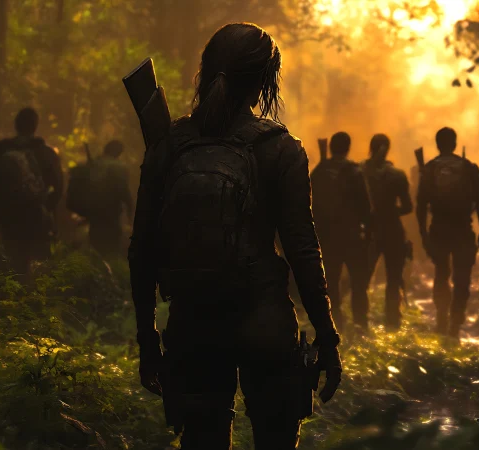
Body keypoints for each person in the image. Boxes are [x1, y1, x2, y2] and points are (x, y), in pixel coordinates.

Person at [128, 23, 342, 449]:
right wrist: (327, 336)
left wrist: (147, 339)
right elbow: (302, 250)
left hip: (193, 324)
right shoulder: (280, 148)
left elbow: (142, 250)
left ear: (206, 71)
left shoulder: (169, 145)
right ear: (265, 80)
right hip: (264, 321)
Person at [416, 127, 479, 337]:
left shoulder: (430, 169)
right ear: (455, 144)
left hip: (438, 228)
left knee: (441, 273)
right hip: (462, 228)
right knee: (462, 277)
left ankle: (441, 319)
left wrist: (423, 234)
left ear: (437, 145)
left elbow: (421, 205)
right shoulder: (469, 167)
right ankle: (455, 324)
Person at [0, 107, 63, 274]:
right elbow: (58, 188)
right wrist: (47, 208)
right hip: (37, 214)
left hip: (9, 216)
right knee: (38, 266)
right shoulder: (47, 153)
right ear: (35, 126)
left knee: (13, 261)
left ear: (16, 125)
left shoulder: (2, 150)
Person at [310, 132, 371, 330]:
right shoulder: (354, 171)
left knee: (331, 281)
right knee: (358, 281)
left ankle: (335, 321)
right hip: (352, 235)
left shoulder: (319, 171)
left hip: (327, 236)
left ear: (330, 147)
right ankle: (360, 322)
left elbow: (310, 204)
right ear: (348, 147)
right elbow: (365, 206)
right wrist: (368, 231)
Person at [363, 134, 413, 330]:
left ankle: (361, 321)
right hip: (393, 230)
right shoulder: (397, 175)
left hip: (369, 230)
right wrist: (391, 211)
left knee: (363, 277)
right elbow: (408, 207)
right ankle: (392, 322)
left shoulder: (359, 172)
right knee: (394, 278)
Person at [85, 140, 133, 256]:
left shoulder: (94, 163)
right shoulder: (119, 166)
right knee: (111, 245)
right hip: (111, 211)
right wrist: (130, 207)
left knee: (96, 244)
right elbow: (123, 190)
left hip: (94, 211)